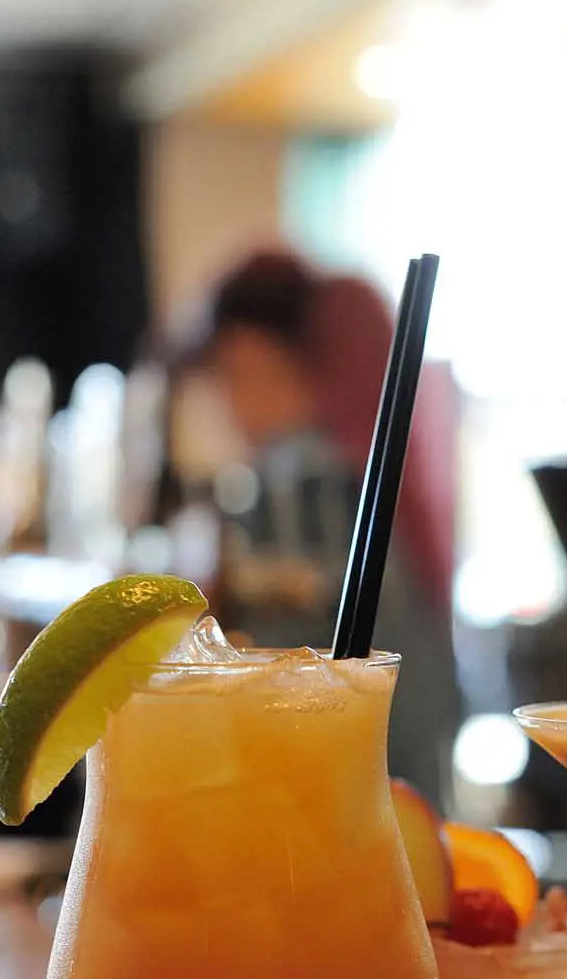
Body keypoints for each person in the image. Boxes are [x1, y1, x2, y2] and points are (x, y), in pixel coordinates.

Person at [175, 249, 459, 804]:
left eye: (240, 374)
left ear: (312, 370)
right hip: (404, 799)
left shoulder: (299, 479)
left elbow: (268, 691)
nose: (227, 404)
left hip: (329, 797)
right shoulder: (368, 492)